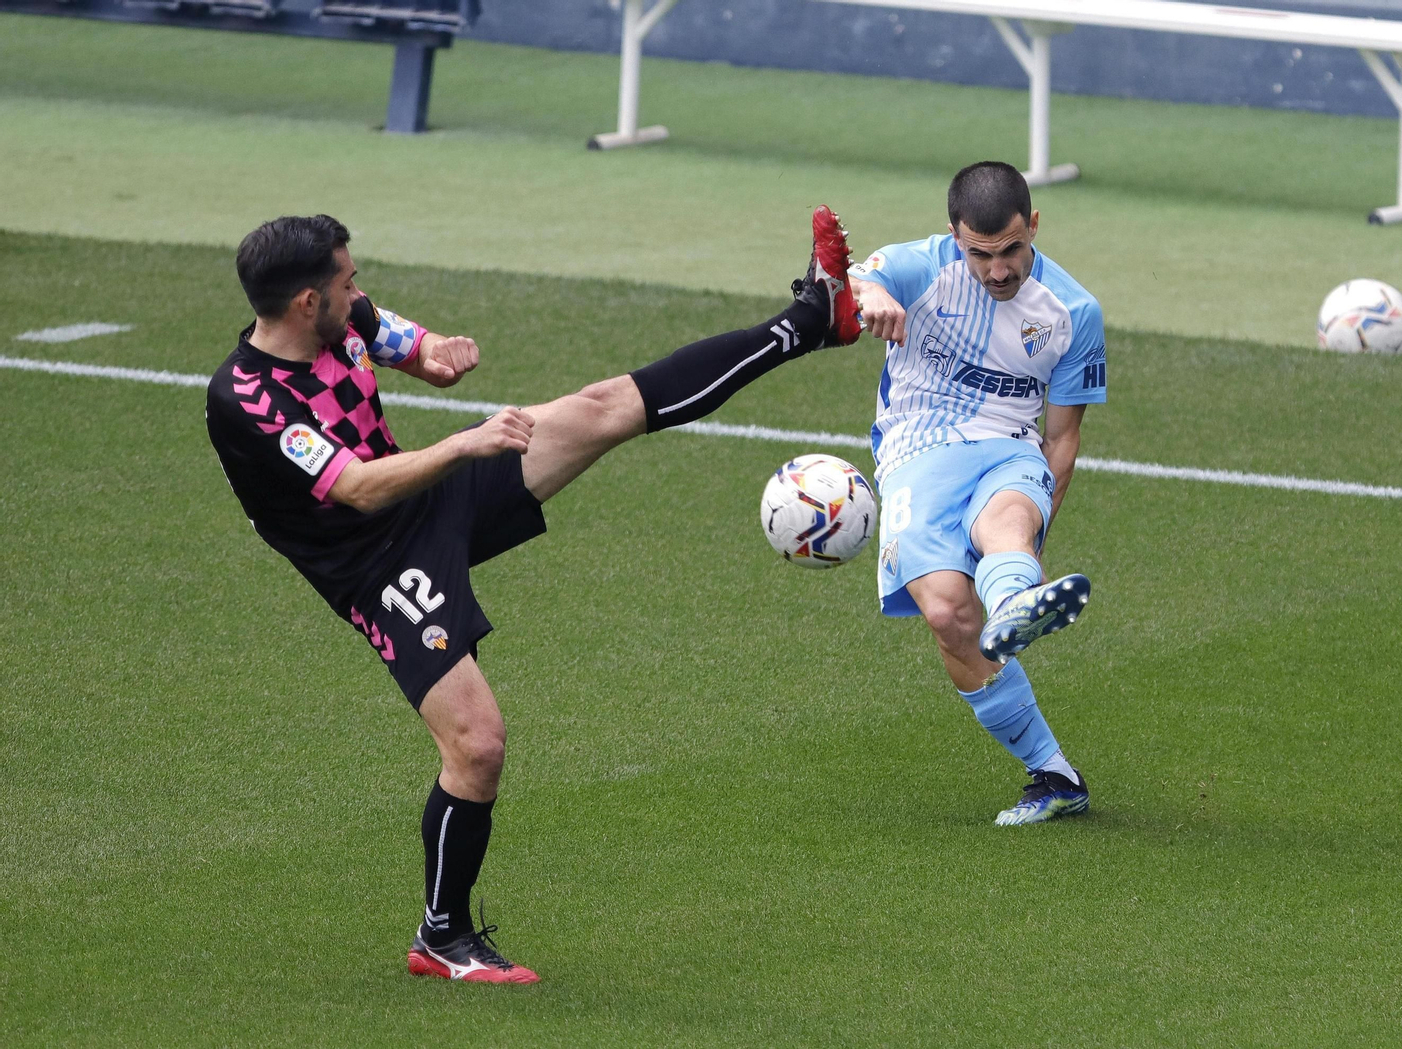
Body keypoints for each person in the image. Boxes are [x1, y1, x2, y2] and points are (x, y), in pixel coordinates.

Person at [206, 209, 862, 983]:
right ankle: (442, 936)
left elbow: (403, 345)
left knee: (602, 406)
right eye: (349, 281)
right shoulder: (245, 396)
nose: (362, 291)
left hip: (425, 495)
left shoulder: (341, 316)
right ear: (306, 303)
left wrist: (436, 353)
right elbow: (353, 487)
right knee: (477, 745)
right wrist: (464, 441)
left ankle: (812, 319)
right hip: (373, 561)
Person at [848, 161, 1107, 826]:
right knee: (949, 619)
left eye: (1013, 250)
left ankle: (1017, 593)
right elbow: (854, 277)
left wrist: (1037, 517)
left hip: (1008, 448)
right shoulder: (921, 266)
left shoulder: (1073, 312)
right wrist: (867, 295)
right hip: (915, 450)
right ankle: (1055, 776)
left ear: (1035, 228)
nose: (998, 271)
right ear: (954, 237)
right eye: (981, 255)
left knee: (1009, 523)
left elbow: (1063, 440)